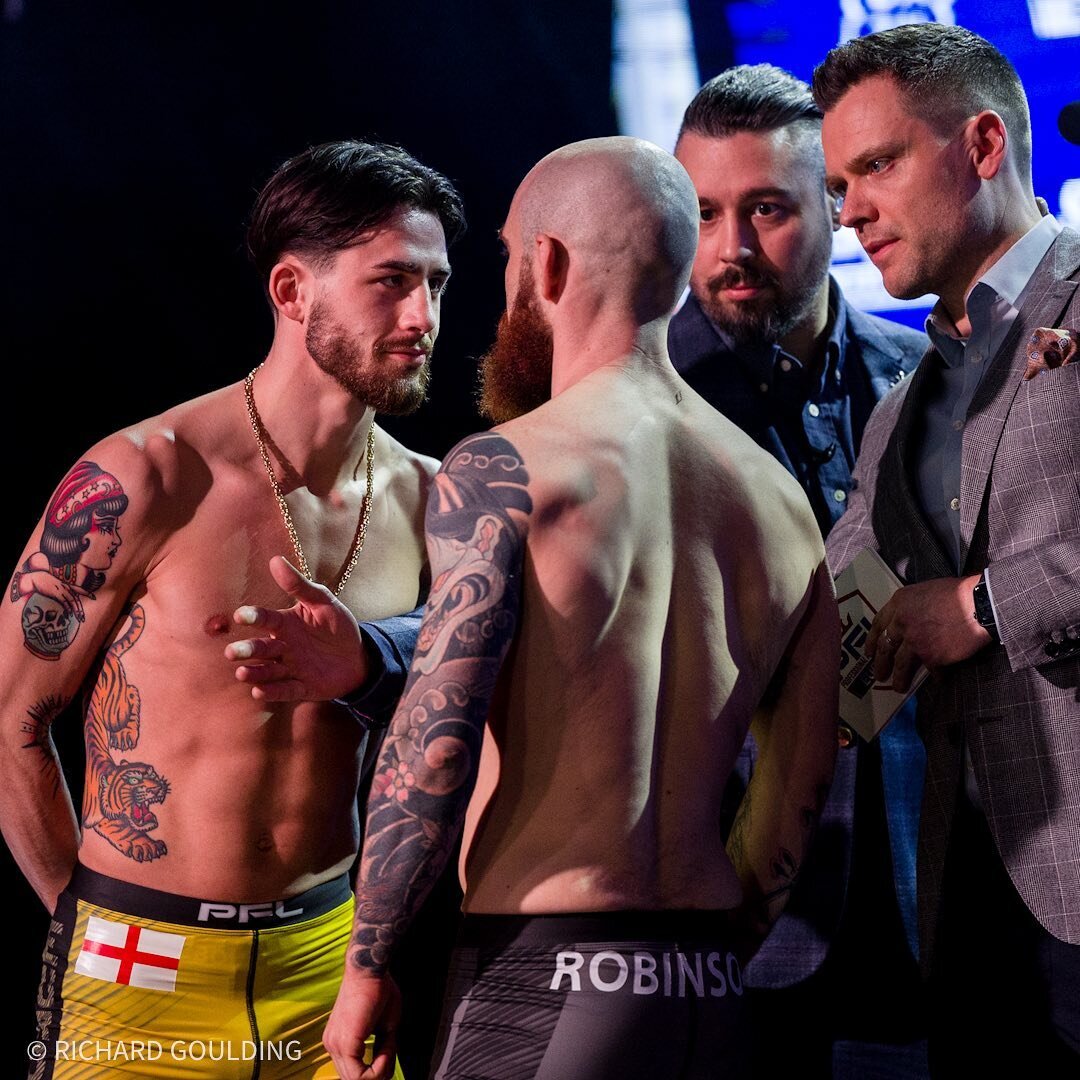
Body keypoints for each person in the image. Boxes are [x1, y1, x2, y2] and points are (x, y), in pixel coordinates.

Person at [302, 135, 839, 1080]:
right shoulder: (779, 499)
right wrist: (704, 954)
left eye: (510, 259)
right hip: (712, 987)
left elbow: (434, 738)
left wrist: (369, 962)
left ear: (544, 264)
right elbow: (800, 777)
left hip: (543, 975)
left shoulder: (507, 466)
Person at [0, 138, 465, 1079]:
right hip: (136, 962)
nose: (423, 316)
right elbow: (11, 719)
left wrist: (370, 958)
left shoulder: (429, 495)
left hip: (326, 962)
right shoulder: (149, 474)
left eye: (437, 284)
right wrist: (79, 921)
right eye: (391, 282)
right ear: (293, 293)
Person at [814, 22, 1080, 1075]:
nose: (850, 211)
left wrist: (977, 607)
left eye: (876, 165)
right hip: (967, 896)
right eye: (840, 180)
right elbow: (838, 639)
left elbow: (952, 613)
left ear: (981, 145)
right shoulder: (898, 411)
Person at [668, 64, 929, 1076]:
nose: (732, 249)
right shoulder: (626, 412)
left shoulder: (932, 380)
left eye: (768, 208)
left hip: (932, 907)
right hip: (721, 932)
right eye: (703, 213)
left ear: (837, 201)